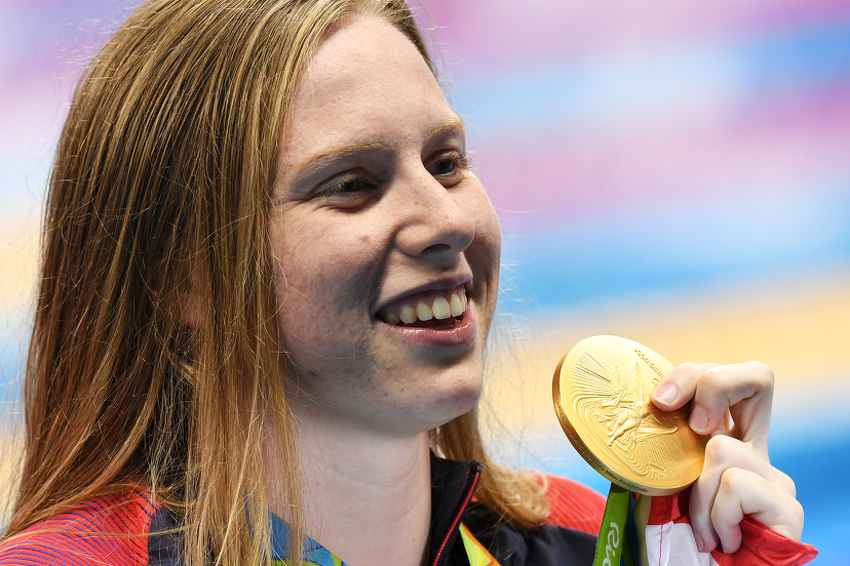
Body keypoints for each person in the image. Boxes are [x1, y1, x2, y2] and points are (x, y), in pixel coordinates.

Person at [0, 1, 812, 565]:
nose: (446, 220)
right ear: (183, 279)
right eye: (351, 183)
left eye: (447, 163)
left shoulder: (597, 542)